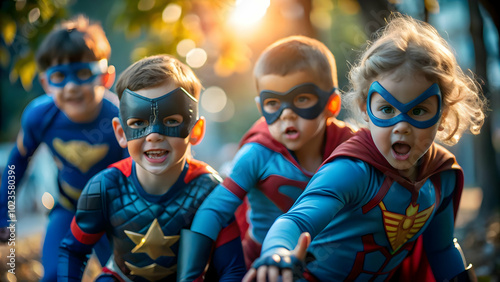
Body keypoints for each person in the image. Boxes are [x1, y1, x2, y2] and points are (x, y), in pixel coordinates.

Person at [243, 13, 487, 282]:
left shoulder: (441, 176)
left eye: (418, 110)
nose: (402, 126)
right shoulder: (352, 171)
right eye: (386, 109)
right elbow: (295, 221)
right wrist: (278, 251)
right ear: (365, 109)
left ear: (442, 114)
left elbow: (440, 249)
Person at [58, 54, 246, 281]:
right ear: (121, 132)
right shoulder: (104, 187)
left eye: (171, 121)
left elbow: (232, 270)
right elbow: (72, 252)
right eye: (138, 123)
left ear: (195, 131)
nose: (154, 135)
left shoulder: (212, 192)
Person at [188, 35, 355, 275]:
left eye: (302, 99)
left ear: (331, 104)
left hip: (330, 266)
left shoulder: (351, 146)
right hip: (259, 265)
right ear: (261, 108)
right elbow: (213, 210)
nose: (287, 114)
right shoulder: (256, 154)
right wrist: (190, 274)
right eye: (274, 103)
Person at [0, 15, 126, 281]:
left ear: (105, 77)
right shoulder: (40, 116)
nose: (71, 86)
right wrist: (4, 212)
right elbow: (17, 163)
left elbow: (138, 173)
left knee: (123, 277)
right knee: (56, 276)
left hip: (113, 214)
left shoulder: (121, 118)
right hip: (69, 208)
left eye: (82, 73)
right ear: (46, 83)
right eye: (59, 76)